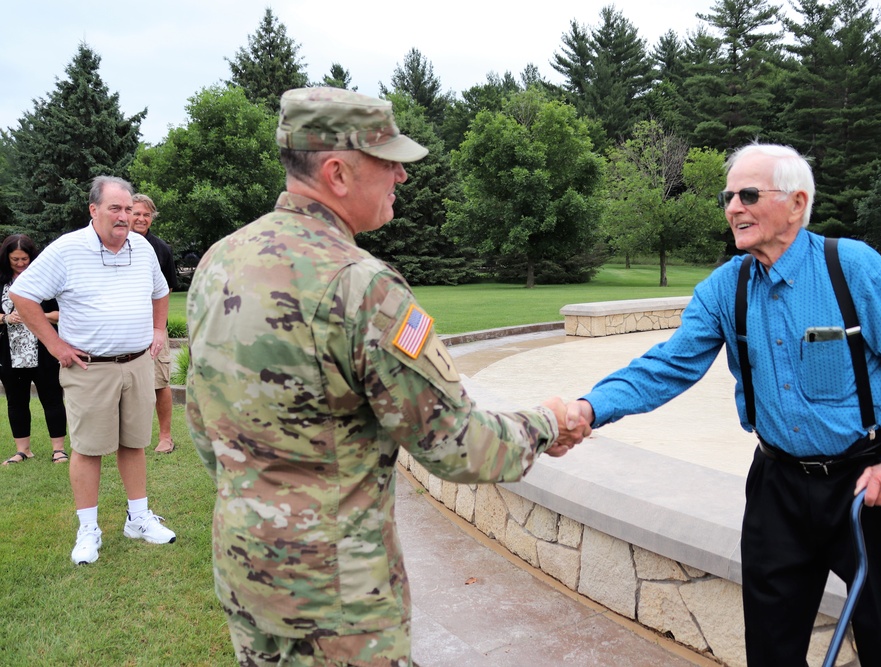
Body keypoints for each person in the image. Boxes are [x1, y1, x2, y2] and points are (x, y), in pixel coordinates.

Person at [185, 87, 590, 667]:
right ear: (337, 173)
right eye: (388, 161)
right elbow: (457, 446)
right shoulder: (361, 286)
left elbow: (206, 428)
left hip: (247, 575)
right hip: (339, 604)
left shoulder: (219, 261)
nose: (402, 175)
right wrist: (550, 421)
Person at [565, 143, 881, 667]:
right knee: (771, 651)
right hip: (777, 486)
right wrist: (589, 407)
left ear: (797, 204)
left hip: (871, 486)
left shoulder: (854, 269)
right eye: (728, 195)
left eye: (749, 194)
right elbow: (666, 366)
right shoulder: (722, 289)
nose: (733, 206)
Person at [11, 175, 177, 565]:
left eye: (128, 210)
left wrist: (157, 329)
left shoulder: (143, 247)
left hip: (137, 363)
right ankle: (88, 529)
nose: (123, 217)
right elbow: (23, 293)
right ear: (94, 210)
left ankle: (138, 518)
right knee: (87, 449)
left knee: (133, 443)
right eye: (114, 209)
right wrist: (54, 344)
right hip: (89, 368)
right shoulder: (68, 249)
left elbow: (161, 291)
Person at [0, 234, 68, 466]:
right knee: (16, 402)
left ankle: (58, 449)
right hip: (10, 354)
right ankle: (23, 450)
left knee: (52, 399)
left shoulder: (44, 279)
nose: (20, 263)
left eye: (24, 258)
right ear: (6, 258)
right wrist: (7, 317)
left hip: (45, 350)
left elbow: (62, 314)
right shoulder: (1, 281)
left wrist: (35, 316)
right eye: (15, 259)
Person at [130, 194, 179, 454]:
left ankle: (165, 437)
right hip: (121, 330)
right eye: (136, 213)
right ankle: (124, 439)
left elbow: (166, 290)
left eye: (146, 214)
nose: (141, 218)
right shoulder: (113, 243)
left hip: (153, 329)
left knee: (160, 382)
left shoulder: (161, 249)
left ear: (152, 218)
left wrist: (157, 329)